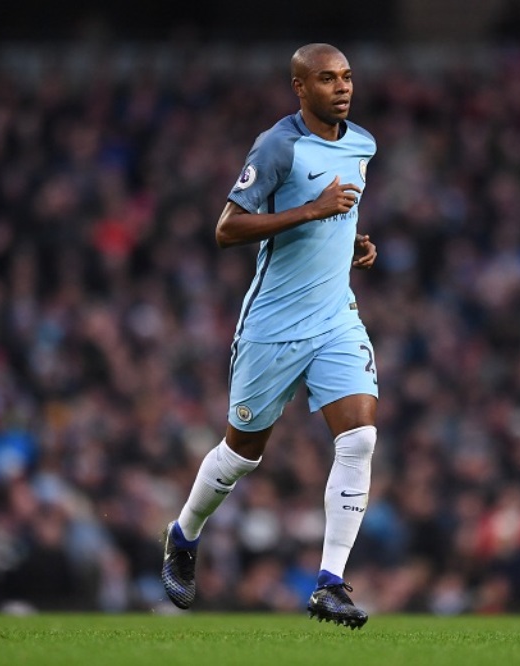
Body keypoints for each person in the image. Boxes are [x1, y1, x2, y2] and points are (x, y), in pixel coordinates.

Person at [161, 43, 379, 629]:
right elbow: (227, 228)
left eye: (348, 77)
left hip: (335, 317)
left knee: (359, 438)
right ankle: (184, 534)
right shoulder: (277, 146)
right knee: (240, 456)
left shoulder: (362, 144)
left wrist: (351, 243)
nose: (342, 88)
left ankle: (330, 583)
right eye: (328, 79)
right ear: (299, 88)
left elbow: (342, 211)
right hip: (273, 327)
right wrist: (313, 212)